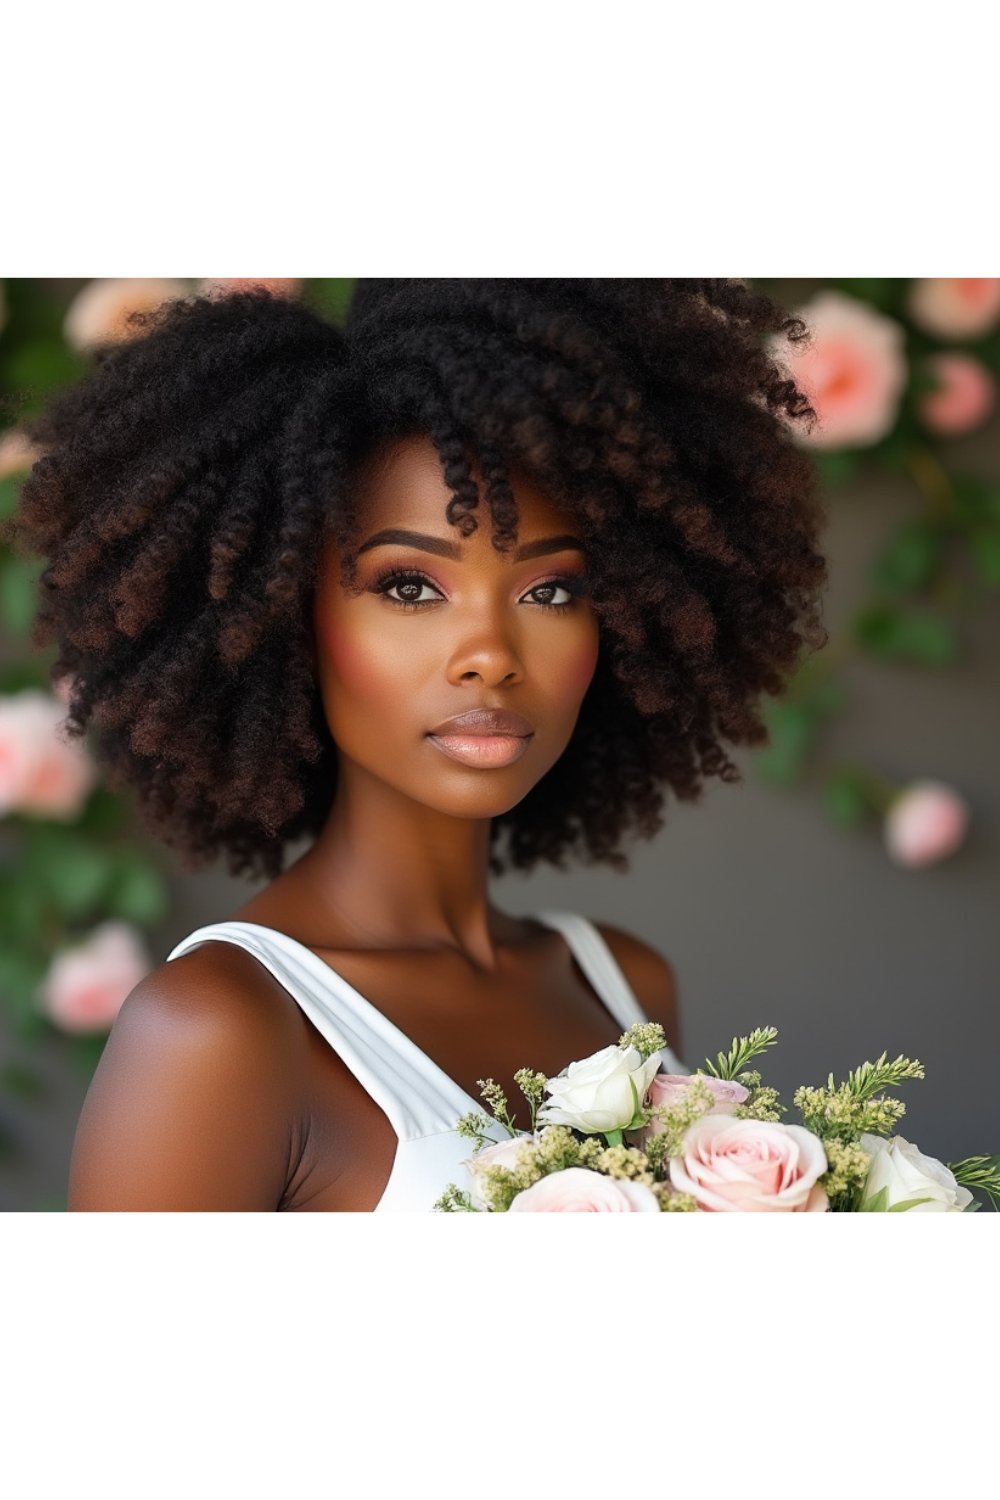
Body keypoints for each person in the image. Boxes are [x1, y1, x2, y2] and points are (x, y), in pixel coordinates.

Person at [9, 279, 828, 1210]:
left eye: (551, 591)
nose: (490, 656)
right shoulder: (221, 1027)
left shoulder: (622, 983)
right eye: (408, 586)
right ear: (281, 614)